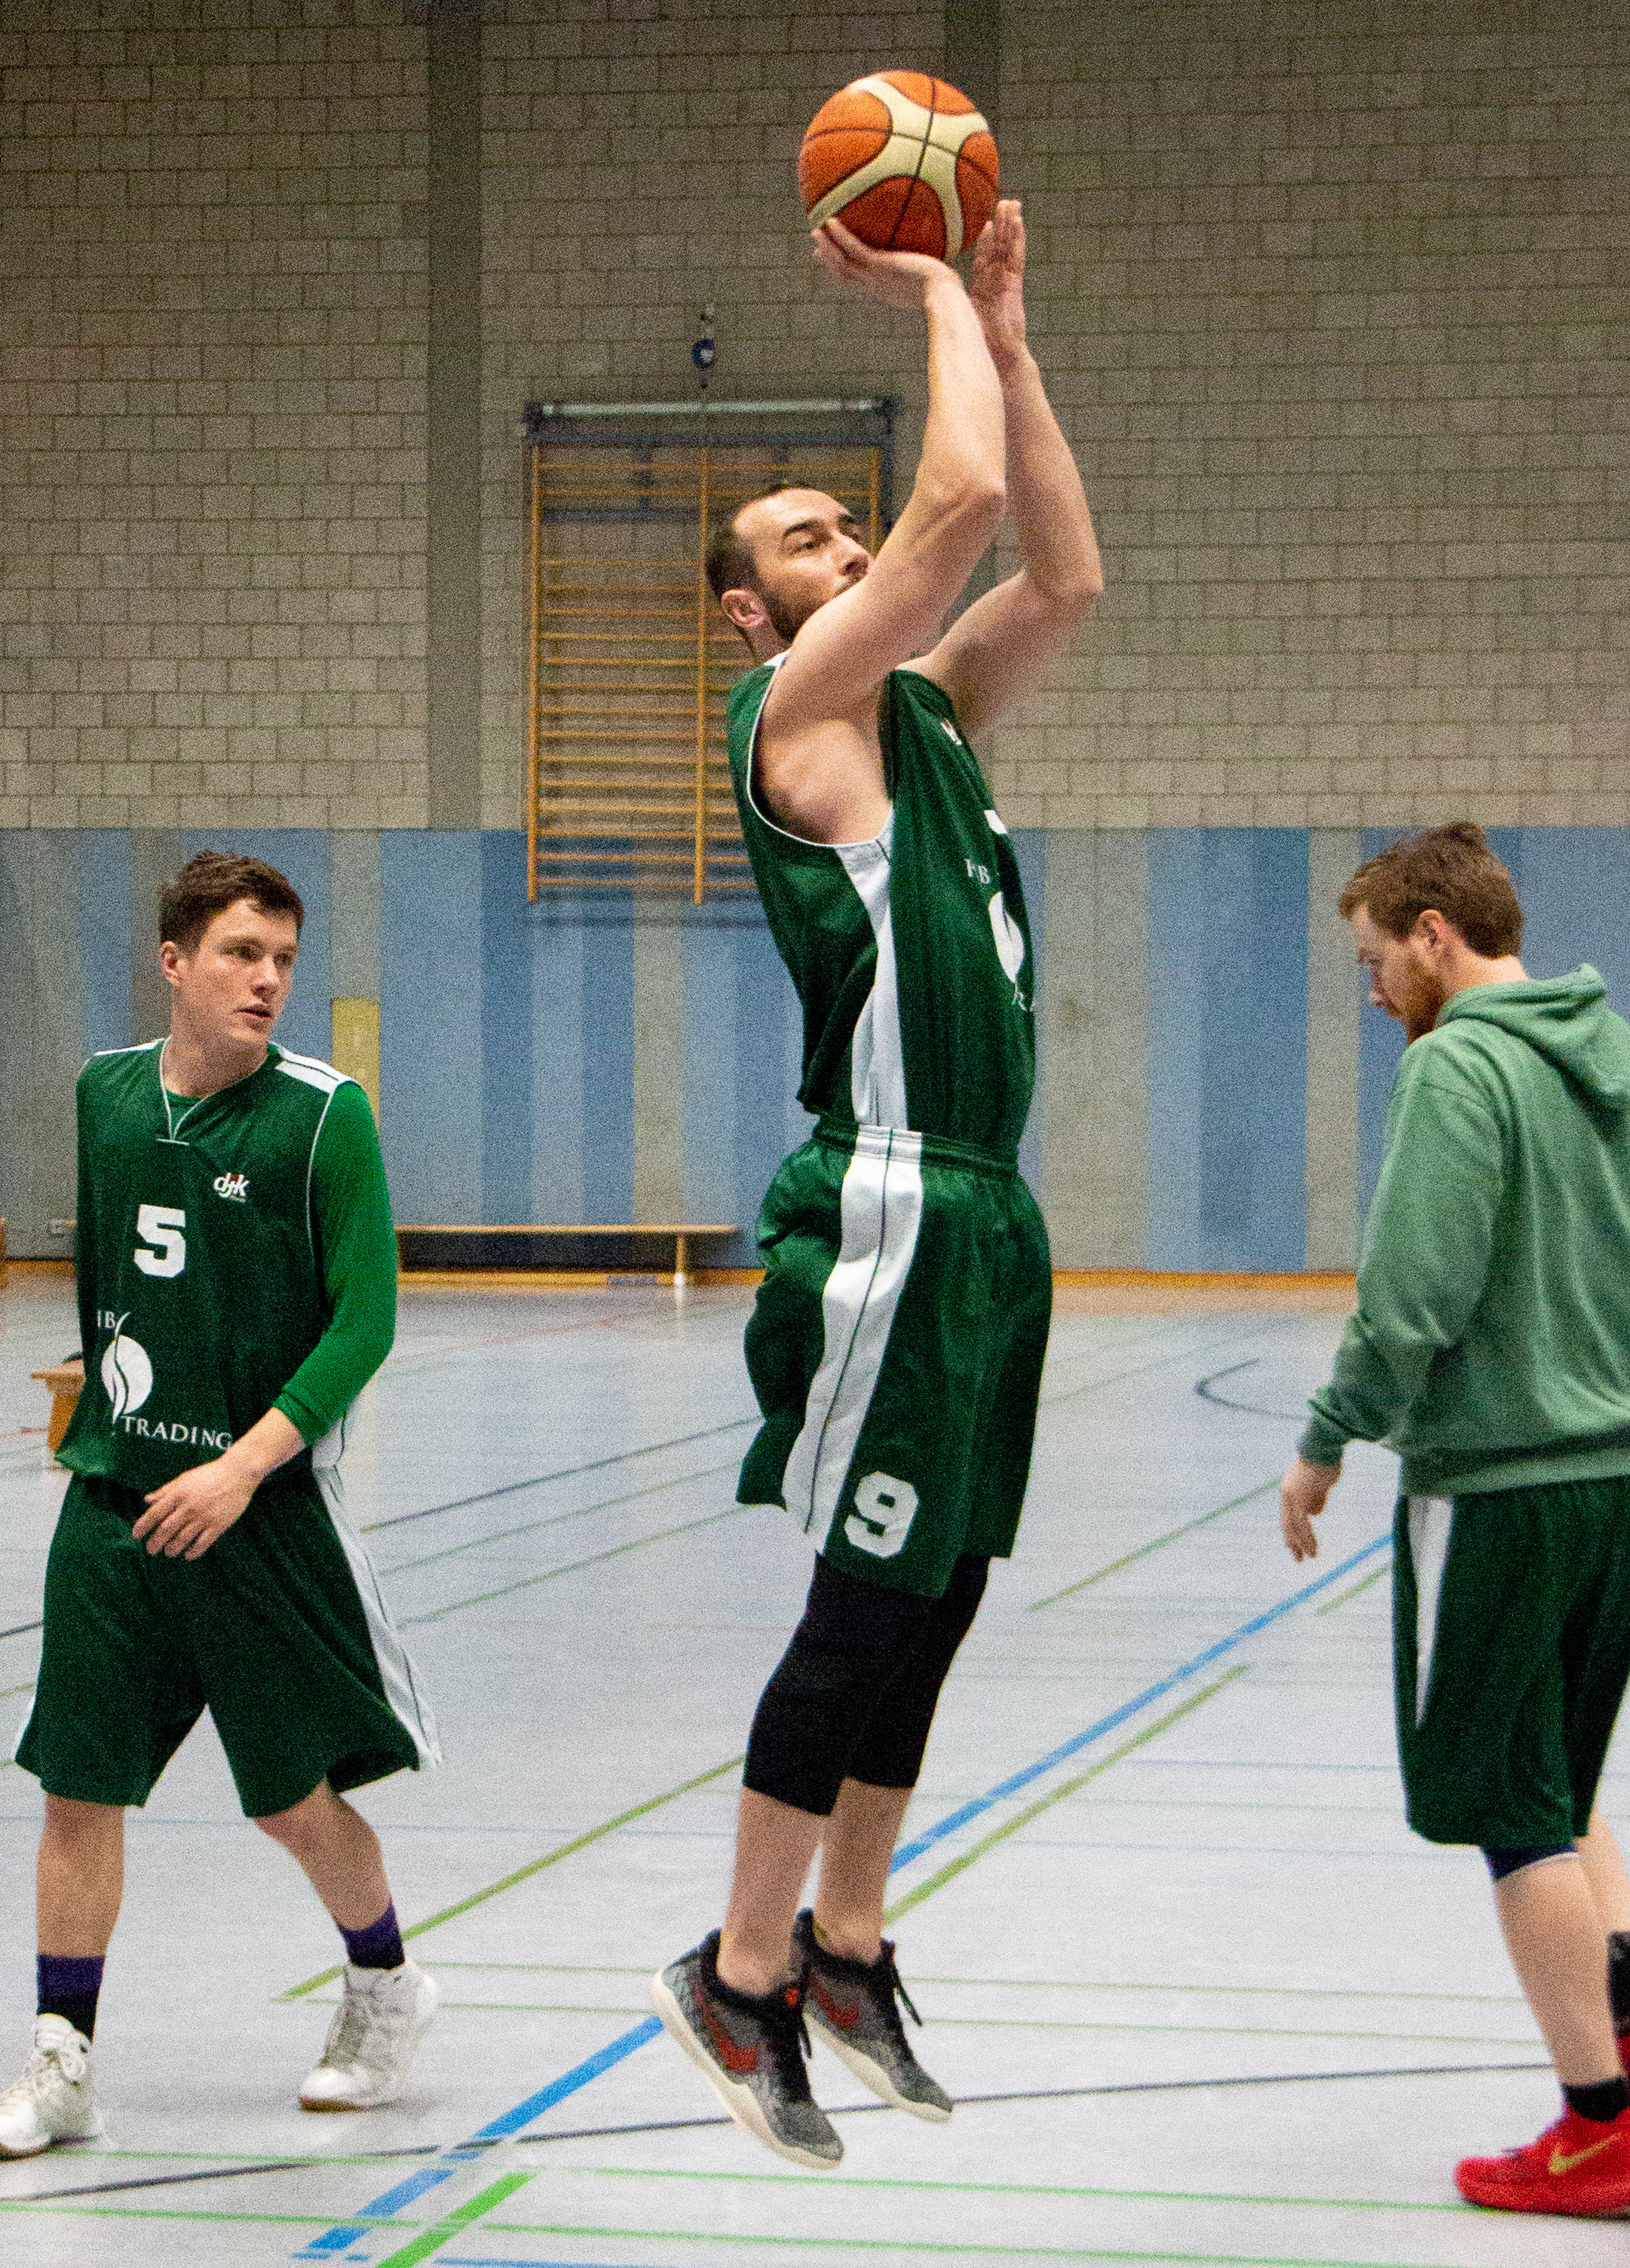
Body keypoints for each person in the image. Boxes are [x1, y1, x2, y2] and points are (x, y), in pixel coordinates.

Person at [648, 200, 1101, 2171]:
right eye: (803, 540)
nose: (843, 543)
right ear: (750, 616)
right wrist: (928, 288)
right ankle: (736, 1972)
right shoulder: (799, 715)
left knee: (944, 1587)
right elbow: (960, 508)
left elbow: (1059, 569)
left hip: (993, 1208)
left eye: (846, 525)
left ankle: (844, 1942)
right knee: (859, 1598)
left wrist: (1012, 331)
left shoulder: (925, 717)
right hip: (893, 1202)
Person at [1279, 822, 1630, 2218]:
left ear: (1434, 934)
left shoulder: (1456, 1067)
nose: (1374, 992)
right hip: (1616, 1489)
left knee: (1500, 1800)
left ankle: (1596, 2123)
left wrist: (1326, 1437)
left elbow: (1414, 1286)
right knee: (1549, 1772)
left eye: (1375, 960)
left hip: (1496, 1489)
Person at [0, 852, 440, 2161]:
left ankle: (386, 1983)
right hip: (114, 1503)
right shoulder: (105, 1094)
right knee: (78, 1785)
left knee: (290, 1799)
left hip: (256, 1510)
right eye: (239, 952)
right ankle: (61, 2060)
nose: (266, 979)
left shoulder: (325, 1117)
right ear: (173, 962)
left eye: (282, 958)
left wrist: (242, 1465)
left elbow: (366, 1319)